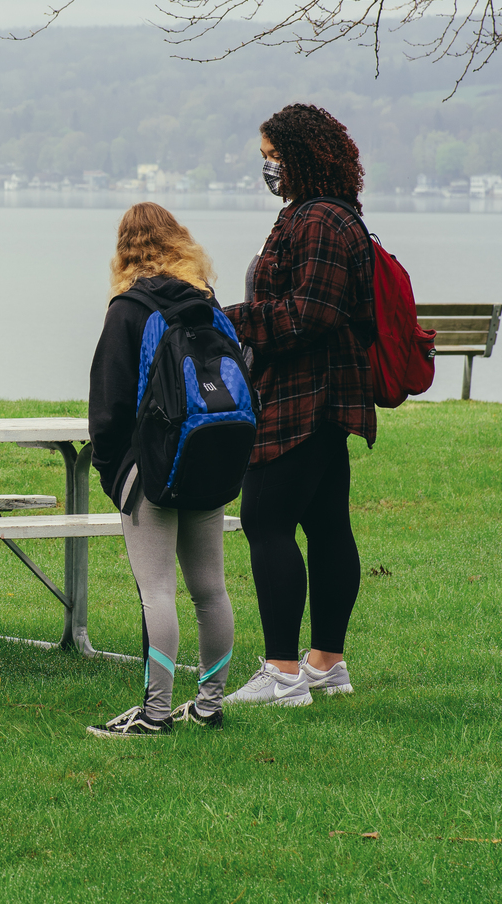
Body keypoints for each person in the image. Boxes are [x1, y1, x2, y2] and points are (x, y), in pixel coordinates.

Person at [223, 104, 376, 707]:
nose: (268, 169)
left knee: (265, 519)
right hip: (324, 394)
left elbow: (311, 315)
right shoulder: (329, 217)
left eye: (273, 157)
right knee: (327, 524)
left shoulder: (319, 222)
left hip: (304, 396)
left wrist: (229, 318)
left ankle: (284, 673)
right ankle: (326, 663)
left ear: (302, 156)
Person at [86, 204, 236, 737]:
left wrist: (114, 474)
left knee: (158, 591)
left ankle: (155, 713)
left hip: (150, 472)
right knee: (210, 591)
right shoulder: (206, 303)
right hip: (209, 459)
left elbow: (107, 407)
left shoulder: (128, 309)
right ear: (179, 241)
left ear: (125, 249)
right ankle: (210, 704)